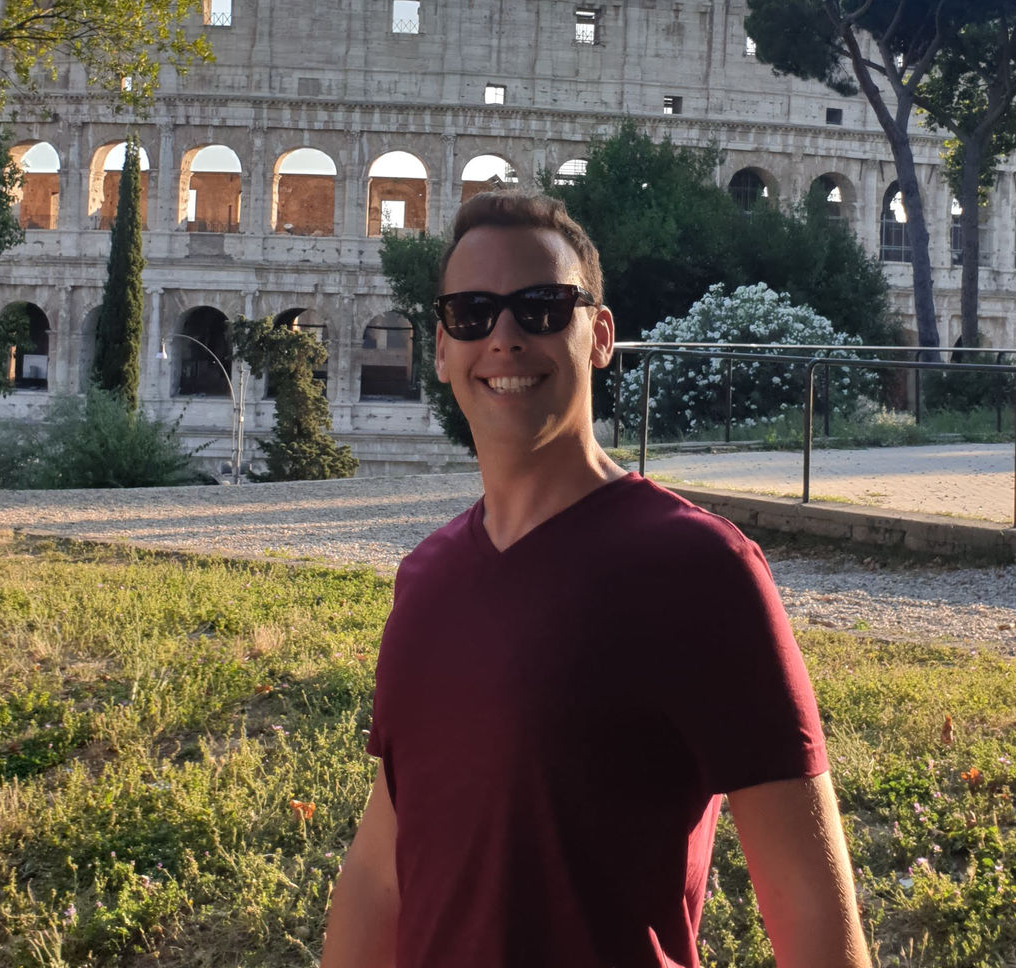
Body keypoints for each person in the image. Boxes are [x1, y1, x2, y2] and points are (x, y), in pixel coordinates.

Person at [321, 191, 870, 968]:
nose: (504, 337)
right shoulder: (426, 580)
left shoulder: (700, 569)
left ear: (600, 335)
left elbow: (812, 913)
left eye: (542, 307)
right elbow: (383, 868)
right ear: (441, 350)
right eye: (472, 313)